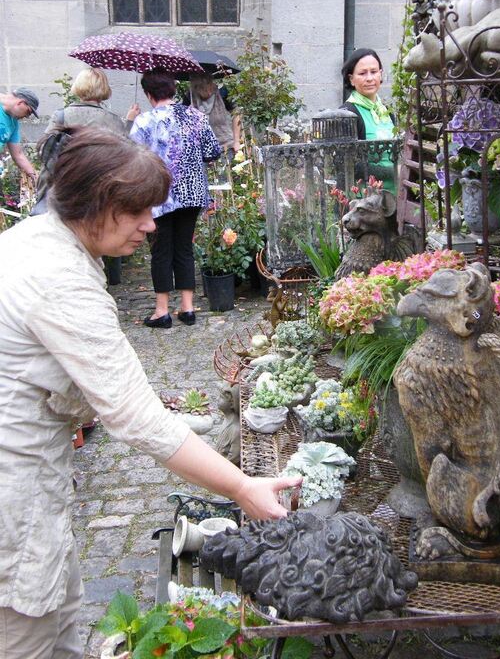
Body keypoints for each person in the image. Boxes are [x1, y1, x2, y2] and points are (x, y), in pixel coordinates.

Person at [0, 127, 300, 659]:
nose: (150, 224)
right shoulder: (59, 276)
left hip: (32, 487)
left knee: (58, 616)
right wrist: (241, 487)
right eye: (136, 210)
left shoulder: (35, 239)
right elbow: (134, 416)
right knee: (29, 631)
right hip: (14, 497)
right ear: (94, 204)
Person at [130, 70, 221, 328]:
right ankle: (188, 307)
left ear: (149, 94)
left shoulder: (145, 121)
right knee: (184, 247)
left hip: (159, 194)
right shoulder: (195, 115)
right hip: (192, 193)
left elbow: (131, 157)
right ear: (172, 89)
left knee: (160, 250)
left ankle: (162, 311)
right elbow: (213, 151)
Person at [34, 68, 135, 217]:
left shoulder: (61, 116)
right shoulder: (113, 121)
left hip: (64, 187)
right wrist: (130, 122)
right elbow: (125, 155)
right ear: (104, 88)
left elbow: (44, 149)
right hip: (99, 190)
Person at [340, 48, 397, 190]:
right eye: (362, 73)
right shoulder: (347, 114)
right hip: (365, 201)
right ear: (351, 79)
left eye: (374, 71)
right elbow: (350, 166)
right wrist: (395, 172)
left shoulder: (387, 112)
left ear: (381, 74)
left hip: (395, 197)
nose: (370, 78)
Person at [189, 72, 241, 159]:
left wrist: (236, 141)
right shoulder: (190, 96)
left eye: (208, 87)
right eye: (202, 88)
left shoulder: (222, 91)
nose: (208, 92)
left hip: (226, 147)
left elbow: (236, 113)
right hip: (202, 151)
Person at [0, 87, 39, 180]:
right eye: (28, 112)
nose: (27, 116)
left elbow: (18, 155)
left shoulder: (13, 123)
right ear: (20, 103)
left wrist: (36, 178)